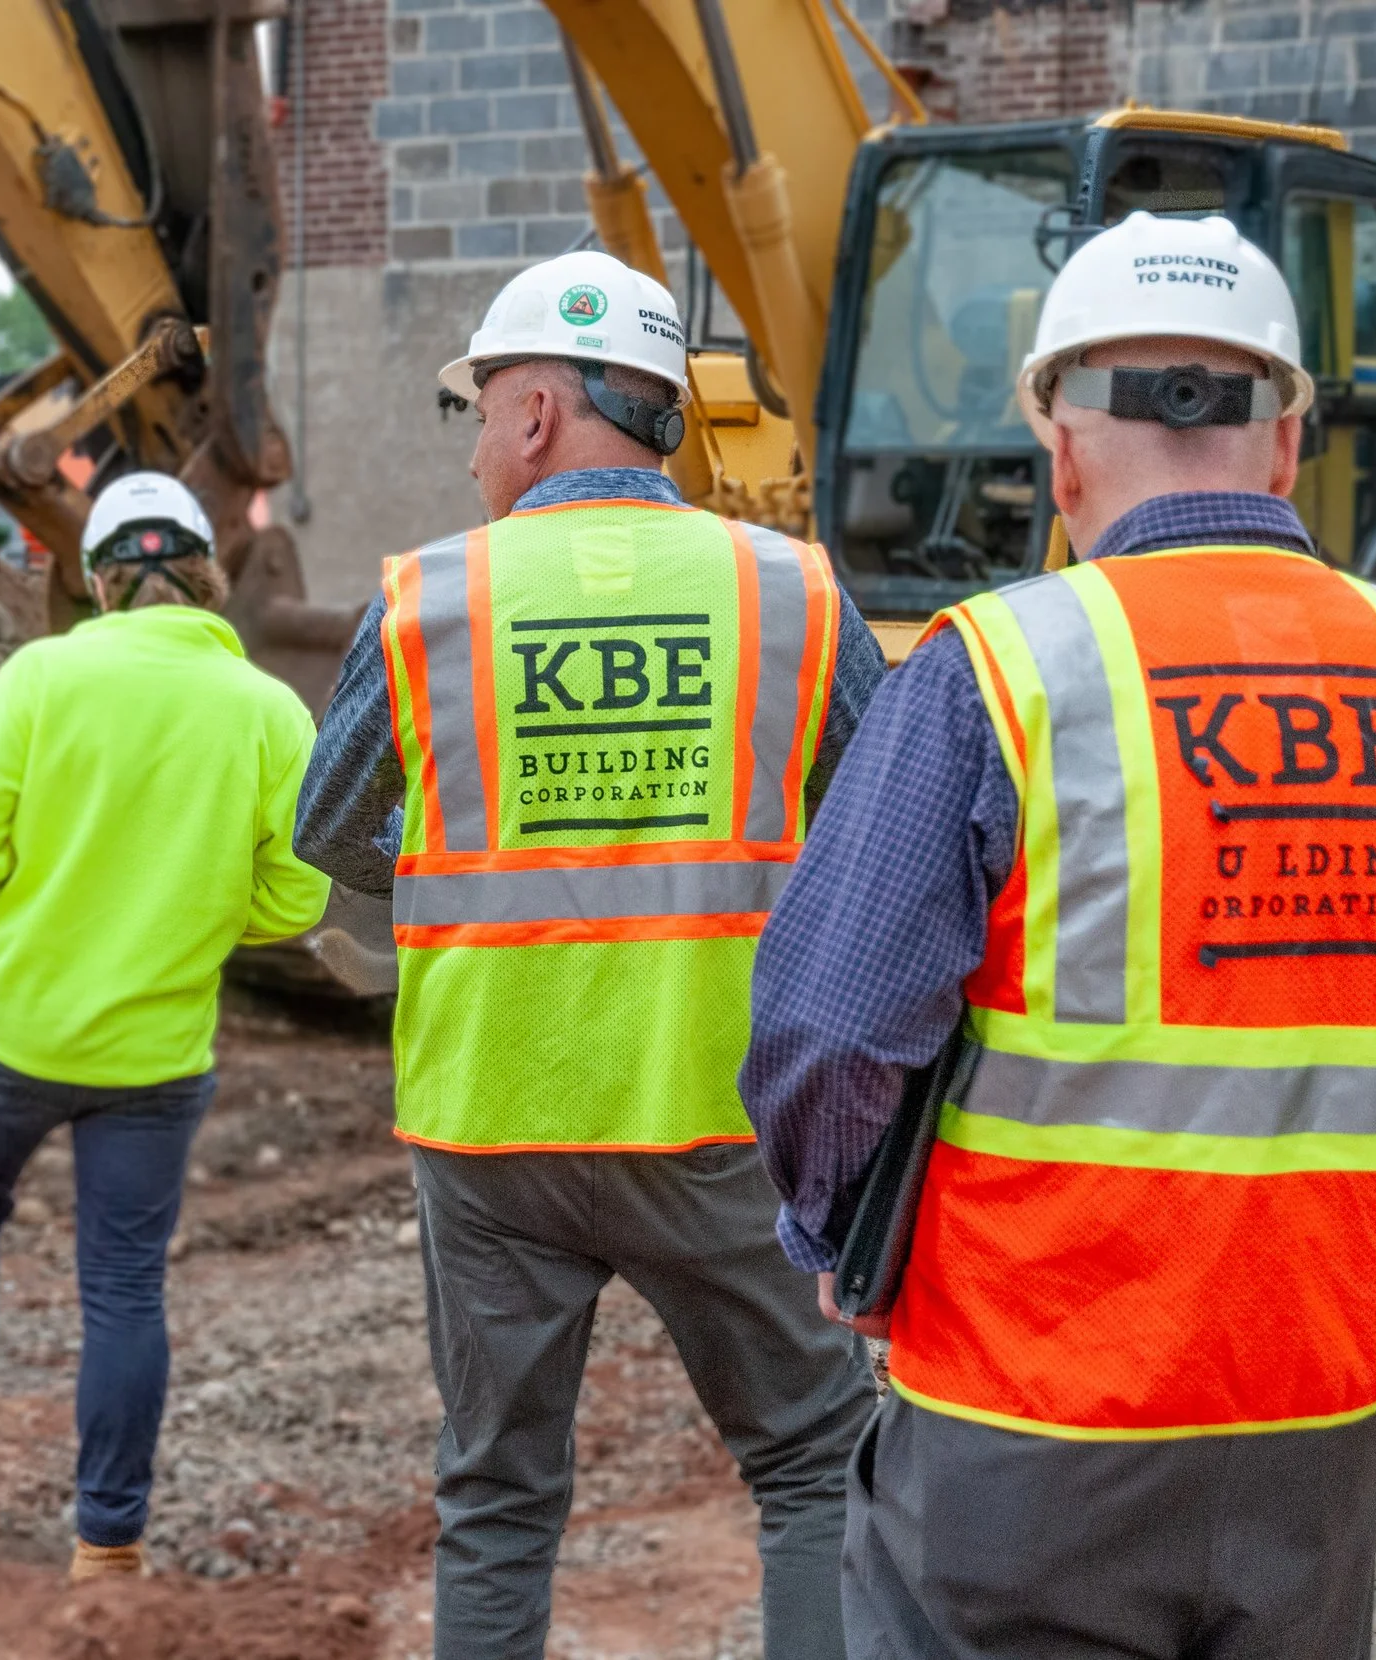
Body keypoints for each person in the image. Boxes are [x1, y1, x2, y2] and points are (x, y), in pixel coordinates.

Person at [742, 211, 1376, 1659]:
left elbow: (831, 1027)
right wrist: (1369, 1295)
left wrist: (837, 1234)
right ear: (1284, 441)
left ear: (1060, 448)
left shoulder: (996, 670)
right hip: (1314, 1423)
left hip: (1024, 1409)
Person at [294, 248, 881, 1659]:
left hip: (492, 1115)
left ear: (541, 413)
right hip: (716, 1112)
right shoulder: (787, 591)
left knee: (496, 1495)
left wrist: (498, 863)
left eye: (482, 410)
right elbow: (877, 830)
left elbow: (333, 822)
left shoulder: (435, 599)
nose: (481, 446)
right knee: (813, 1462)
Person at [0, 471, 330, 1581]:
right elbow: (298, 897)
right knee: (123, 1287)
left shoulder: (42, 674)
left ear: (100, 576)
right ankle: (107, 1544)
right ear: (207, 574)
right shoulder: (266, 709)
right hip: (157, 1054)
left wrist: (26, 917)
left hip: (15, 1027)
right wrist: (195, 925)